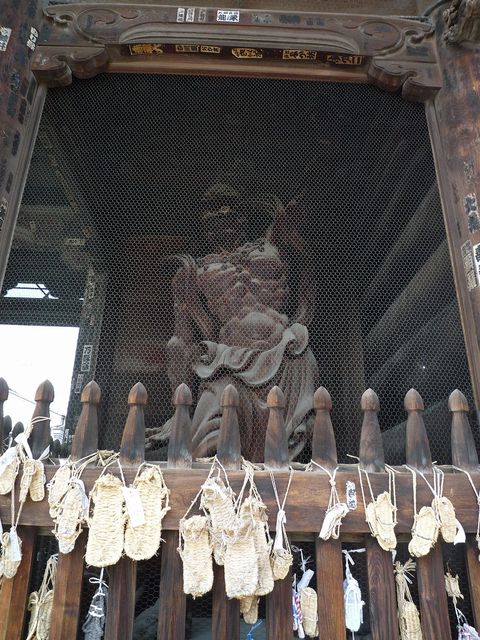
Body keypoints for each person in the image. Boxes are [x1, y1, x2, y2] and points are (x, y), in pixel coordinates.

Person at [146, 177, 319, 461]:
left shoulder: (270, 246)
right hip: (227, 362)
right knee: (207, 436)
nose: (220, 213)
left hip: (286, 352)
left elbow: (302, 209)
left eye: (227, 206)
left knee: (302, 439)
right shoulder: (192, 272)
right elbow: (180, 341)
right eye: (211, 209)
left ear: (243, 216)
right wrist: (180, 405)